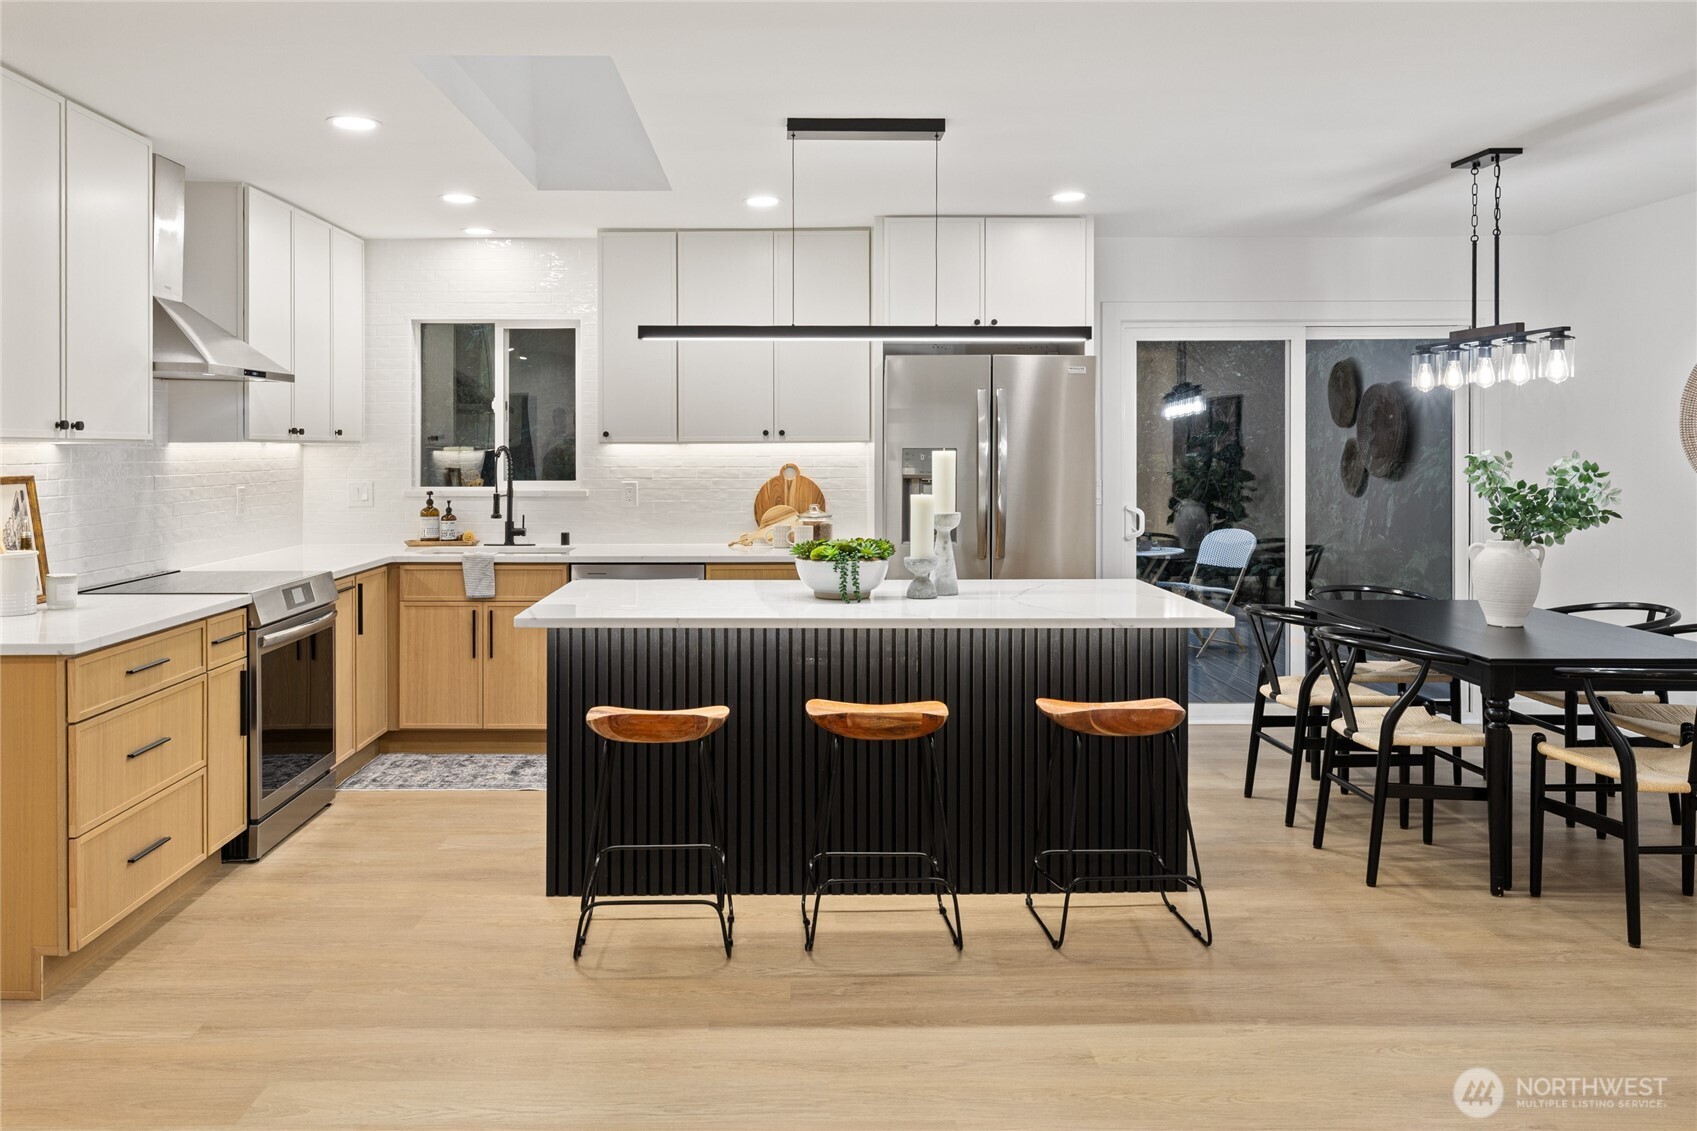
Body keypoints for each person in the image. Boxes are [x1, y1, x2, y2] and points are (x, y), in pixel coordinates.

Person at [540, 407, 576, 481]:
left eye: (562, 417)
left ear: (566, 419)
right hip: (555, 476)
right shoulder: (550, 440)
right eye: (557, 418)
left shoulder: (572, 437)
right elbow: (545, 457)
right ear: (554, 421)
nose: (560, 421)